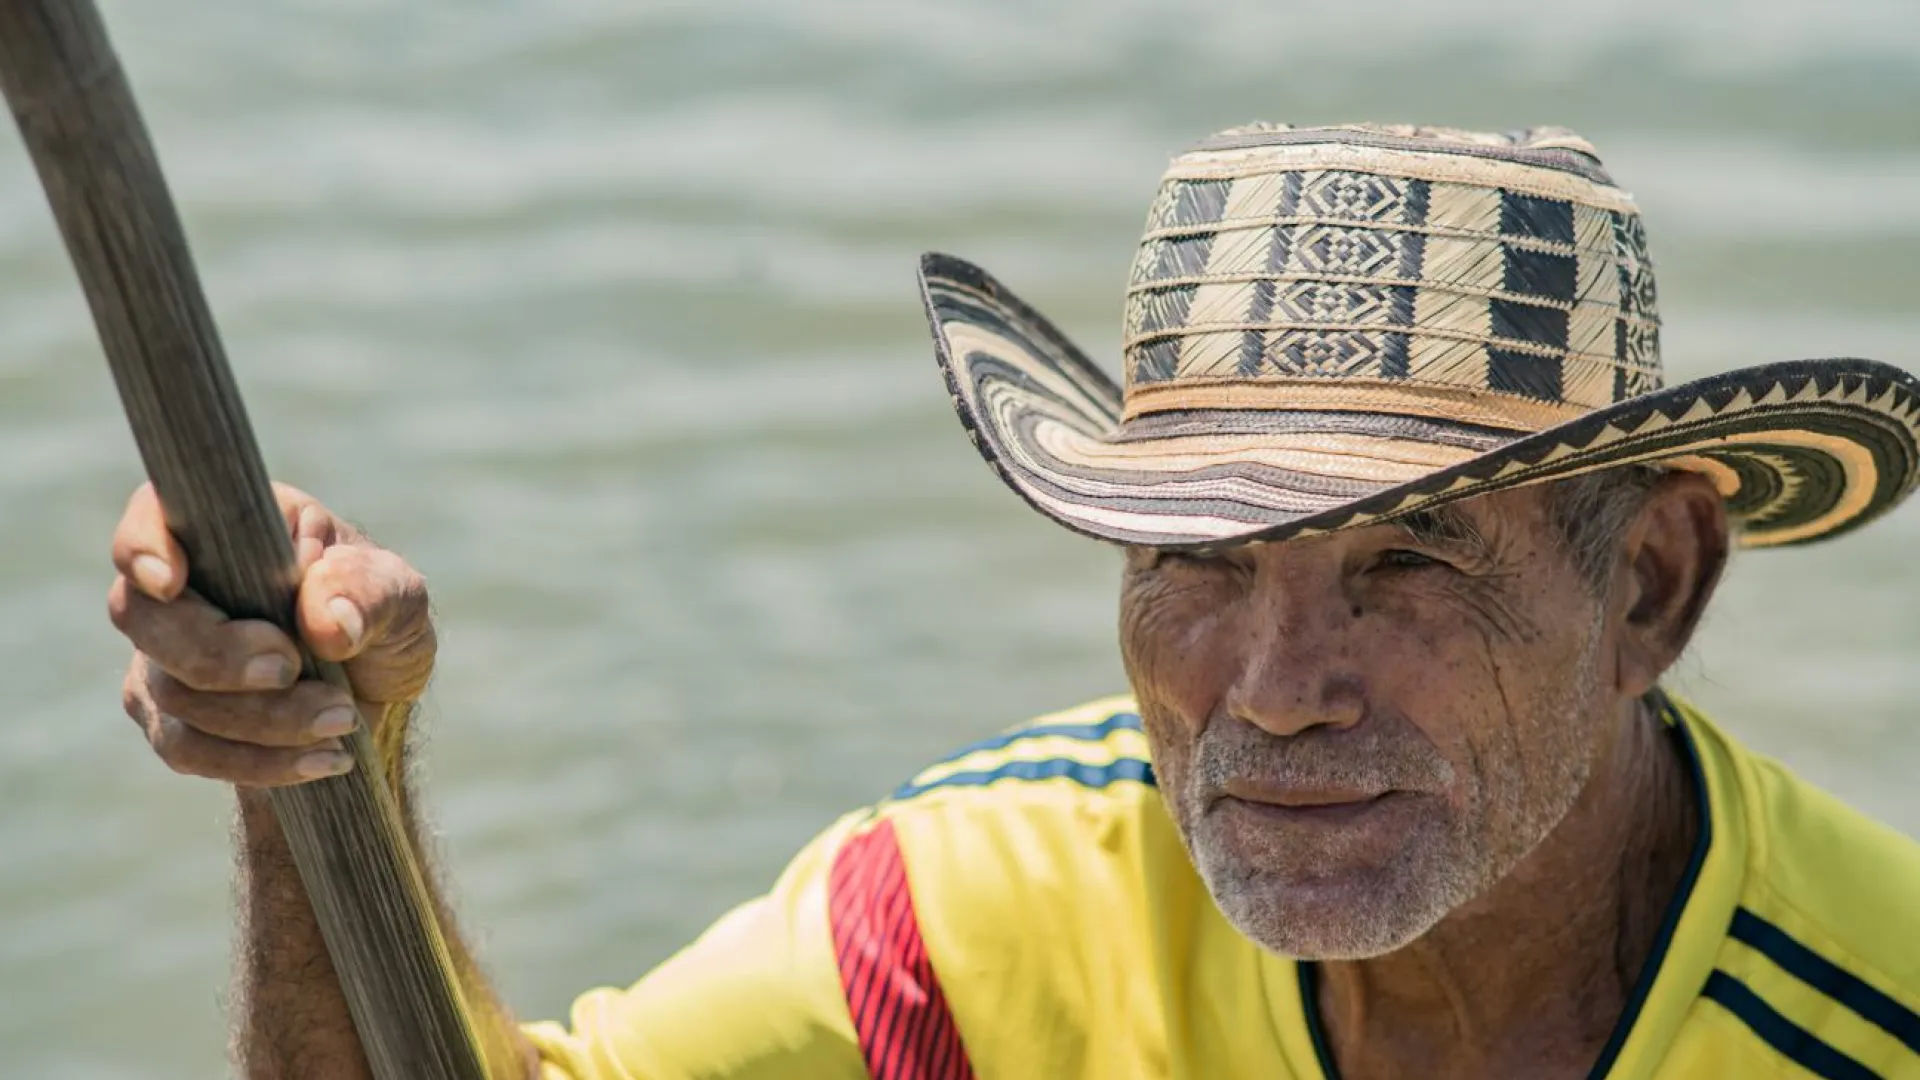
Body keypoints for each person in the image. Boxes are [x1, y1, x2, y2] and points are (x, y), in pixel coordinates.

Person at [108, 124, 1920, 1079]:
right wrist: (320, 756)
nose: (1276, 690)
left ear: (1653, 588)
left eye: (1407, 566)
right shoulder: (985, 903)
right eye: (1195, 561)